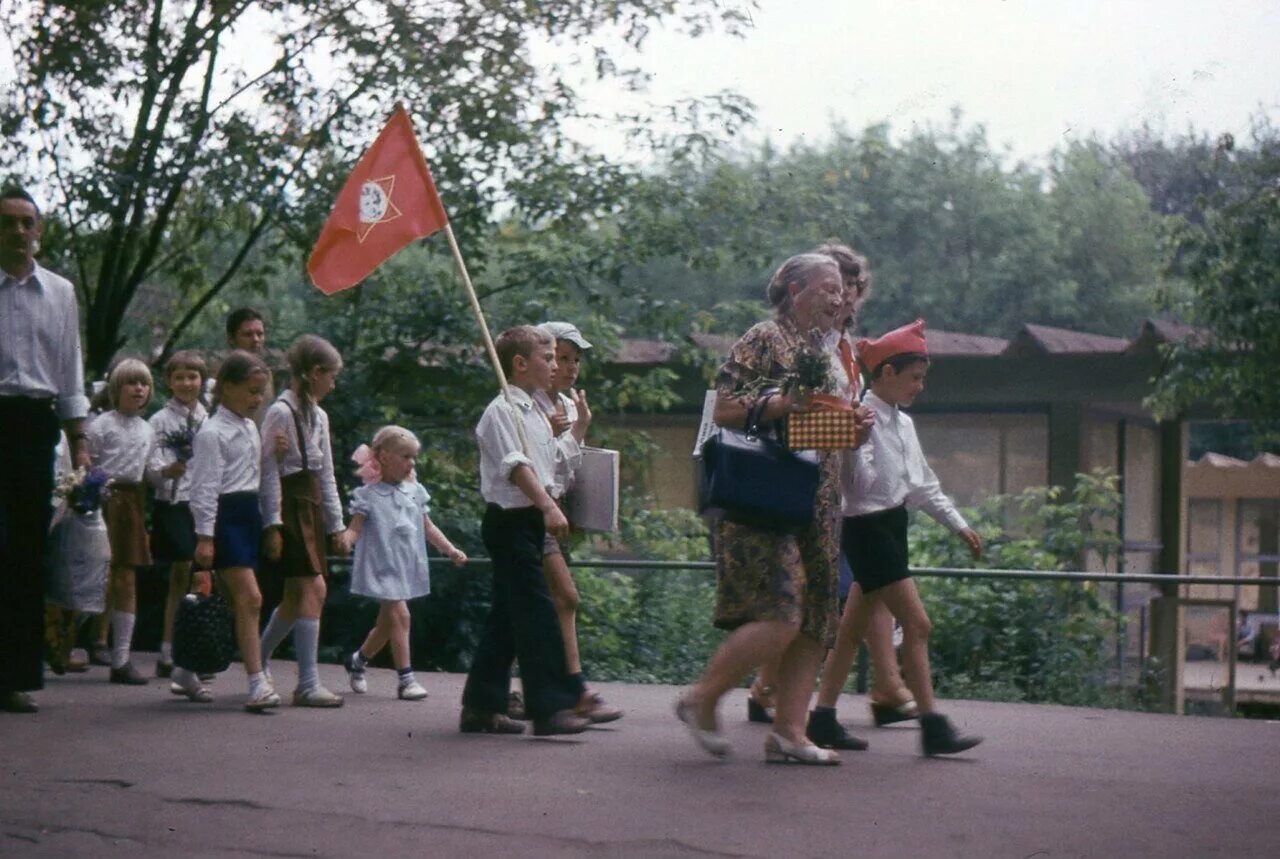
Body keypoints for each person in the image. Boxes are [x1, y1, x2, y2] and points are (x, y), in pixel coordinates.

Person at [676, 253, 854, 765]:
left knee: (819, 617)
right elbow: (724, 410)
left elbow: (812, 428)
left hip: (819, 501)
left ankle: (789, 734)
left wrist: (851, 424)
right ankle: (701, 698)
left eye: (842, 288)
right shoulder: (764, 337)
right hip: (767, 497)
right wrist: (781, 402)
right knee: (781, 615)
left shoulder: (828, 349)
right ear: (795, 290)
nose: (838, 297)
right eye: (828, 287)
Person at [810, 319, 983, 756]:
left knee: (850, 632)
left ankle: (822, 717)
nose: (920, 387)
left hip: (893, 526)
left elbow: (923, 485)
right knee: (919, 624)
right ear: (887, 373)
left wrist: (957, 523)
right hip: (867, 529)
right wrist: (855, 440)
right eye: (914, 377)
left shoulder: (903, 424)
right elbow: (859, 488)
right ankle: (933, 724)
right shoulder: (861, 416)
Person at [459, 325, 592, 737]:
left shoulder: (534, 412)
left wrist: (579, 427)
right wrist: (549, 506)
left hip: (528, 522)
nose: (555, 365)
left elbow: (553, 462)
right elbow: (517, 468)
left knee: (507, 615)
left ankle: (481, 705)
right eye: (548, 358)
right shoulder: (502, 410)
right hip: (510, 520)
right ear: (520, 364)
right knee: (537, 611)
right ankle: (550, 706)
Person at [0, 187, 91, 713]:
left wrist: (79, 440)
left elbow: (69, 368)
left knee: (26, 551)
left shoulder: (59, 292)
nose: (17, 232)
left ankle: (14, 677)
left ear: (39, 231)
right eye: (7, 223)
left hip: (35, 425)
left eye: (25, 223)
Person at [532, 321, 622, 724]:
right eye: (559, 358)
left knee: (534, 604)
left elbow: (570, 465)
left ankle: (517, 688)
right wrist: (553, 436)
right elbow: (537, 465)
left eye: (574, 360)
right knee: (565, 597)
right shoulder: (528, 403)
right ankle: (574, 688)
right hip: (534, 509)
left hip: (559, 510)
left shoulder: (569, 405)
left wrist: (579, 429)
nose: (569, 368)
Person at [342, 426, 467, 700]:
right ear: (384, 457)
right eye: (405, 456)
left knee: (388, 624)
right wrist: (347, 539)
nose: (411, 463)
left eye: (414, 457)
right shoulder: (369, 495)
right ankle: (406, 679)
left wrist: (450, 549)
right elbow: (356, 527)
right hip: (383, 564)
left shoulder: (415, 491)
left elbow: (428, 526)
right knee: (402, 615)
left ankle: (358, 661)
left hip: (406, 563)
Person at [258, 335, 349, 707]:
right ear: (314, 373)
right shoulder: (281, 411)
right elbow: (267, 470)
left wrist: (336, 525)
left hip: (310, 504)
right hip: (290, 503)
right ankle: (307, 682)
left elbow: (326, 473)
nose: (333, 384)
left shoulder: (320, 416)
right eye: (331, 376)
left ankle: (258, 659)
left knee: (299, 595)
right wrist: (273, 523)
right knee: (313, 589)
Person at [183, 350, 276, 710]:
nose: (256, 400)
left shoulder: (250, 427)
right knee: (249, 599)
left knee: (225, 600)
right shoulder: (212, 433)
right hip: (225, 517)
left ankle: (185, 669)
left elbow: (259, 475)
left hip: (247, 513)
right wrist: (205, 535)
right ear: (227, 388)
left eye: (261, 393)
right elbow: (204, 488)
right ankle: (257, 681)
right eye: (251, 391)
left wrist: (270, 522)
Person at [86, 358, 156, 685]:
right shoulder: (101, 426)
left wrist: (170, 473)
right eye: (131, 383)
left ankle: (122, 657)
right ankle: (69, 643)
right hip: (101, 500)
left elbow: (152, 470)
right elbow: (87, 464)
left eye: (143, 383)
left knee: (126, 578)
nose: (138, 389)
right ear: (116, 389)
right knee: (95, 575)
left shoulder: (147, 429)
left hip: (132, 504)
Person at [146, 350, 210, 679]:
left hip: (201, 503)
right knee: (181, 568)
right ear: (169, 381)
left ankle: (197, 648)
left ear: (202, 380)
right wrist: (166, 471)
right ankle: (168, 649)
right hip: (172, 502)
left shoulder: (208, 419)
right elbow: (150, 468)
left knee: (201, 577)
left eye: (193, 376)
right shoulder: (159, 421)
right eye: (180, 377)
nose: (187, 383)